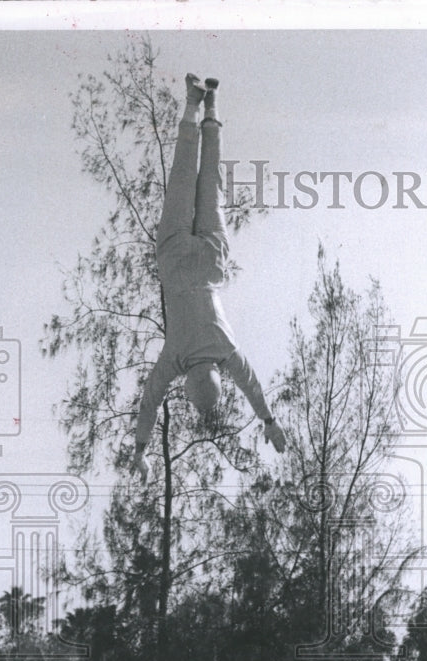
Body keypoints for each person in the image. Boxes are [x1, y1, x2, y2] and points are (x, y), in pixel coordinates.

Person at [133, 74, 286, 480]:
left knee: (209, 180)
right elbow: (150, 400)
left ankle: (212, 104)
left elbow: (251, 384)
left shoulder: (225, 351)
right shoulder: (177, 357)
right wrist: (140, 449)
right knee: (184, 175)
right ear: (189, 383)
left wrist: (270, 421)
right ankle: (191, 102)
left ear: (217, 376)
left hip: (212, 259)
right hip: (174, 257)